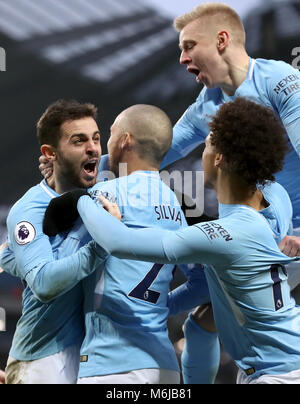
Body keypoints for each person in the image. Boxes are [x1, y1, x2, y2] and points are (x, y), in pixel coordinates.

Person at [50, 98, 300, 384]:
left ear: (219, 157)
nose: (201, 154)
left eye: (206, 145)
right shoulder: (272, 199)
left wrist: (81, 198)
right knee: (202, 321)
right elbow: (206, 283)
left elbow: (119, 242)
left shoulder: (224, 233)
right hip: (263, 361)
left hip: (277, 375)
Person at [43, 104, 188, 384]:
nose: (103, 145)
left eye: (108, 135)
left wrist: (58, 182)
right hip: (165, 366)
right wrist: (161, 307)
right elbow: (202, 282)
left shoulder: (106, 193)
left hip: (111, 364)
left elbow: (52, 236)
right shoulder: (177, 206)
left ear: (125, 140)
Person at [0, 99, 108, 384]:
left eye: (96, 139)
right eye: (79, 140)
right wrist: (103, 246)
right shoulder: (29, 210)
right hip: (43, 357)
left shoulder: (102, 189)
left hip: (93, 355)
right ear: (50, 153)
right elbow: (45, 284)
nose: (93, 148)